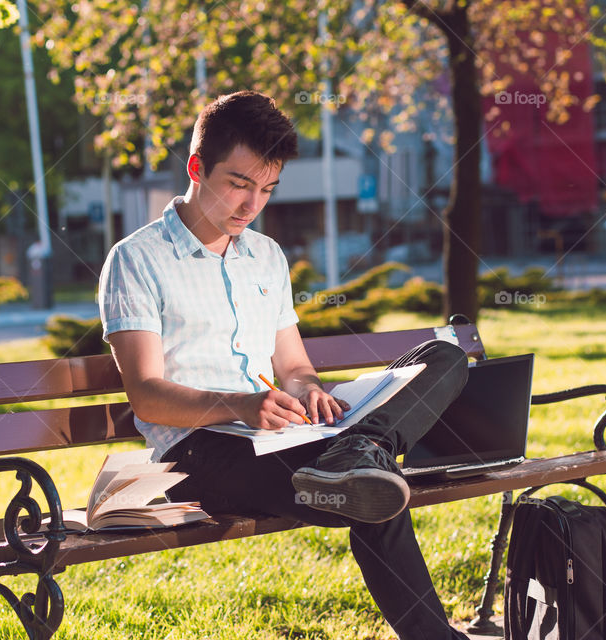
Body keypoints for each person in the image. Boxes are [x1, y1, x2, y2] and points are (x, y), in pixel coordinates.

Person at [99, 91, 471, 640]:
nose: (251, 205)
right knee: (374, 487)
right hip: (197, 453)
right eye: (239, 184)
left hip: (288, 438)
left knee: (445, 356)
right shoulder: (137, 259)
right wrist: (242, 406)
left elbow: (294, 365)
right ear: (196, 168)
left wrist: (311, 390)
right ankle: (362, 461)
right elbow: (147, 396)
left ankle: (358, 448)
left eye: (267, 189)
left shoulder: (266, 256)